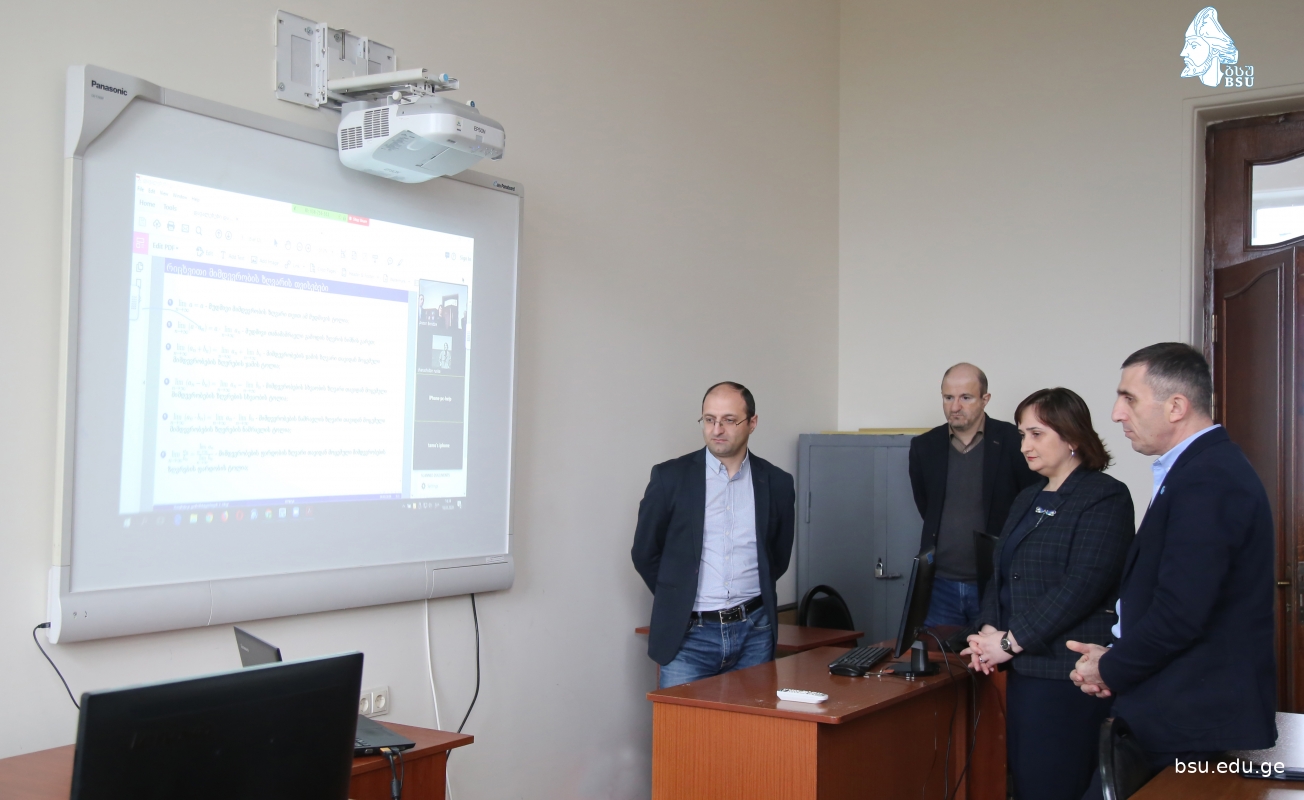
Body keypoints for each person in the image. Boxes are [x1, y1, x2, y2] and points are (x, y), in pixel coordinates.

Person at [1070, 343, 1276, 797]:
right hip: (1173, 709)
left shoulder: (1209, 477)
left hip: (1194, 723)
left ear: (1176, 407)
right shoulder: (1196, 469)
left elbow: (1181, 612)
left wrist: (1111, 667)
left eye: (1129, 398)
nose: (1116, 413)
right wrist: (1114, 657)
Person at [962, 388, 1134, 800]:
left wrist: (1009, 641)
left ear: (1071, 436)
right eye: (1022, 435)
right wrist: (988, 630)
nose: (1025, 446)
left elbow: (1082, 586)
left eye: (1036, 434)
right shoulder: (1028, 496)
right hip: (1024, 672)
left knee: (1056, 784)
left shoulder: (1104, 496)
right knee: (1029, 782)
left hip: (1068, 675)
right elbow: (1001, 569)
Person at [631, 382, 795, 688]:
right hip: (688, 636)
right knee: (681, 721)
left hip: (755, 632)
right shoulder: (670, 478)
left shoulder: (777, 482)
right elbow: (644, 553)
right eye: (709, 419)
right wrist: (677, 596)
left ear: (752, 423)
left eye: (729, 420)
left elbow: (777, 556)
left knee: (752, 720)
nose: (717, 429)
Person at [909, 363, 1038, 628]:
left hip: (996, 582)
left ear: (985, 399)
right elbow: (926, 506)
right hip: (939, 584)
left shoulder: (1014, 442)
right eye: (948, 397)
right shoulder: (924, 446)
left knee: (992, 654)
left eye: (965, 397)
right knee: (939, 653)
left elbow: (1032, 504)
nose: (955, 406)